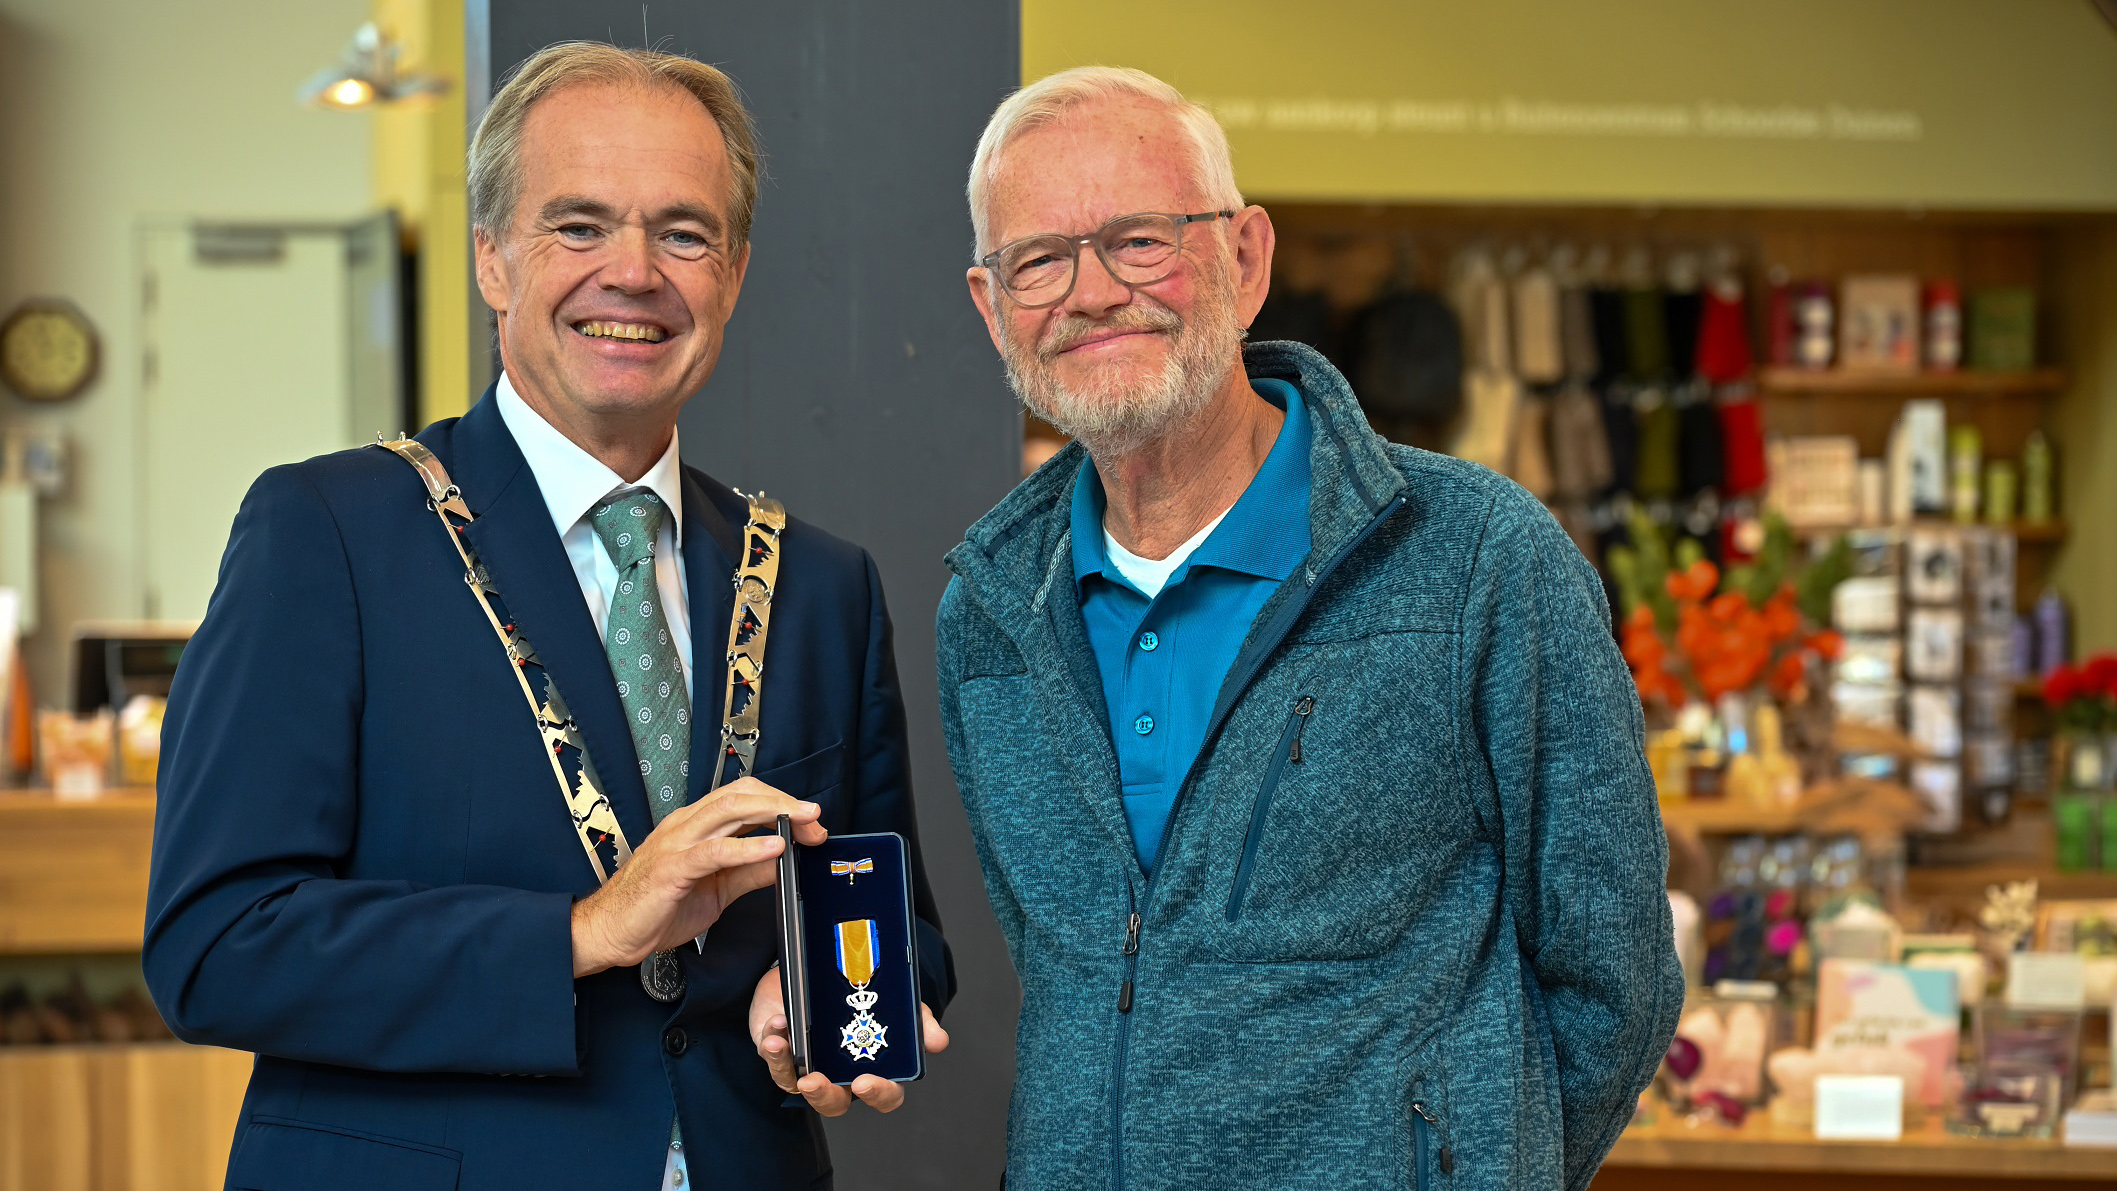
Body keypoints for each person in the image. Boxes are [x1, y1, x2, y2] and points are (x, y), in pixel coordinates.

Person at [145, 42, 951, 1191]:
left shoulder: (819, 582)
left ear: (732, 271)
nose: (633, 273)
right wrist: (580, 933)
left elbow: (890, 919)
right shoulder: (326, 531)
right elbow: (216, 947)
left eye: (683, 233)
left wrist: (818, 1000)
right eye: (577, 226)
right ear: (490, 258)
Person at [936, 66, 1681, 1190]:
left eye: (1138, 240)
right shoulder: (990, 613)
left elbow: (1611, 975)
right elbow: (1073, 970)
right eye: (1037, 259)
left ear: (1242, 259)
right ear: (993, 309)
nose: (1090, 292)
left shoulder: (1476, 559)